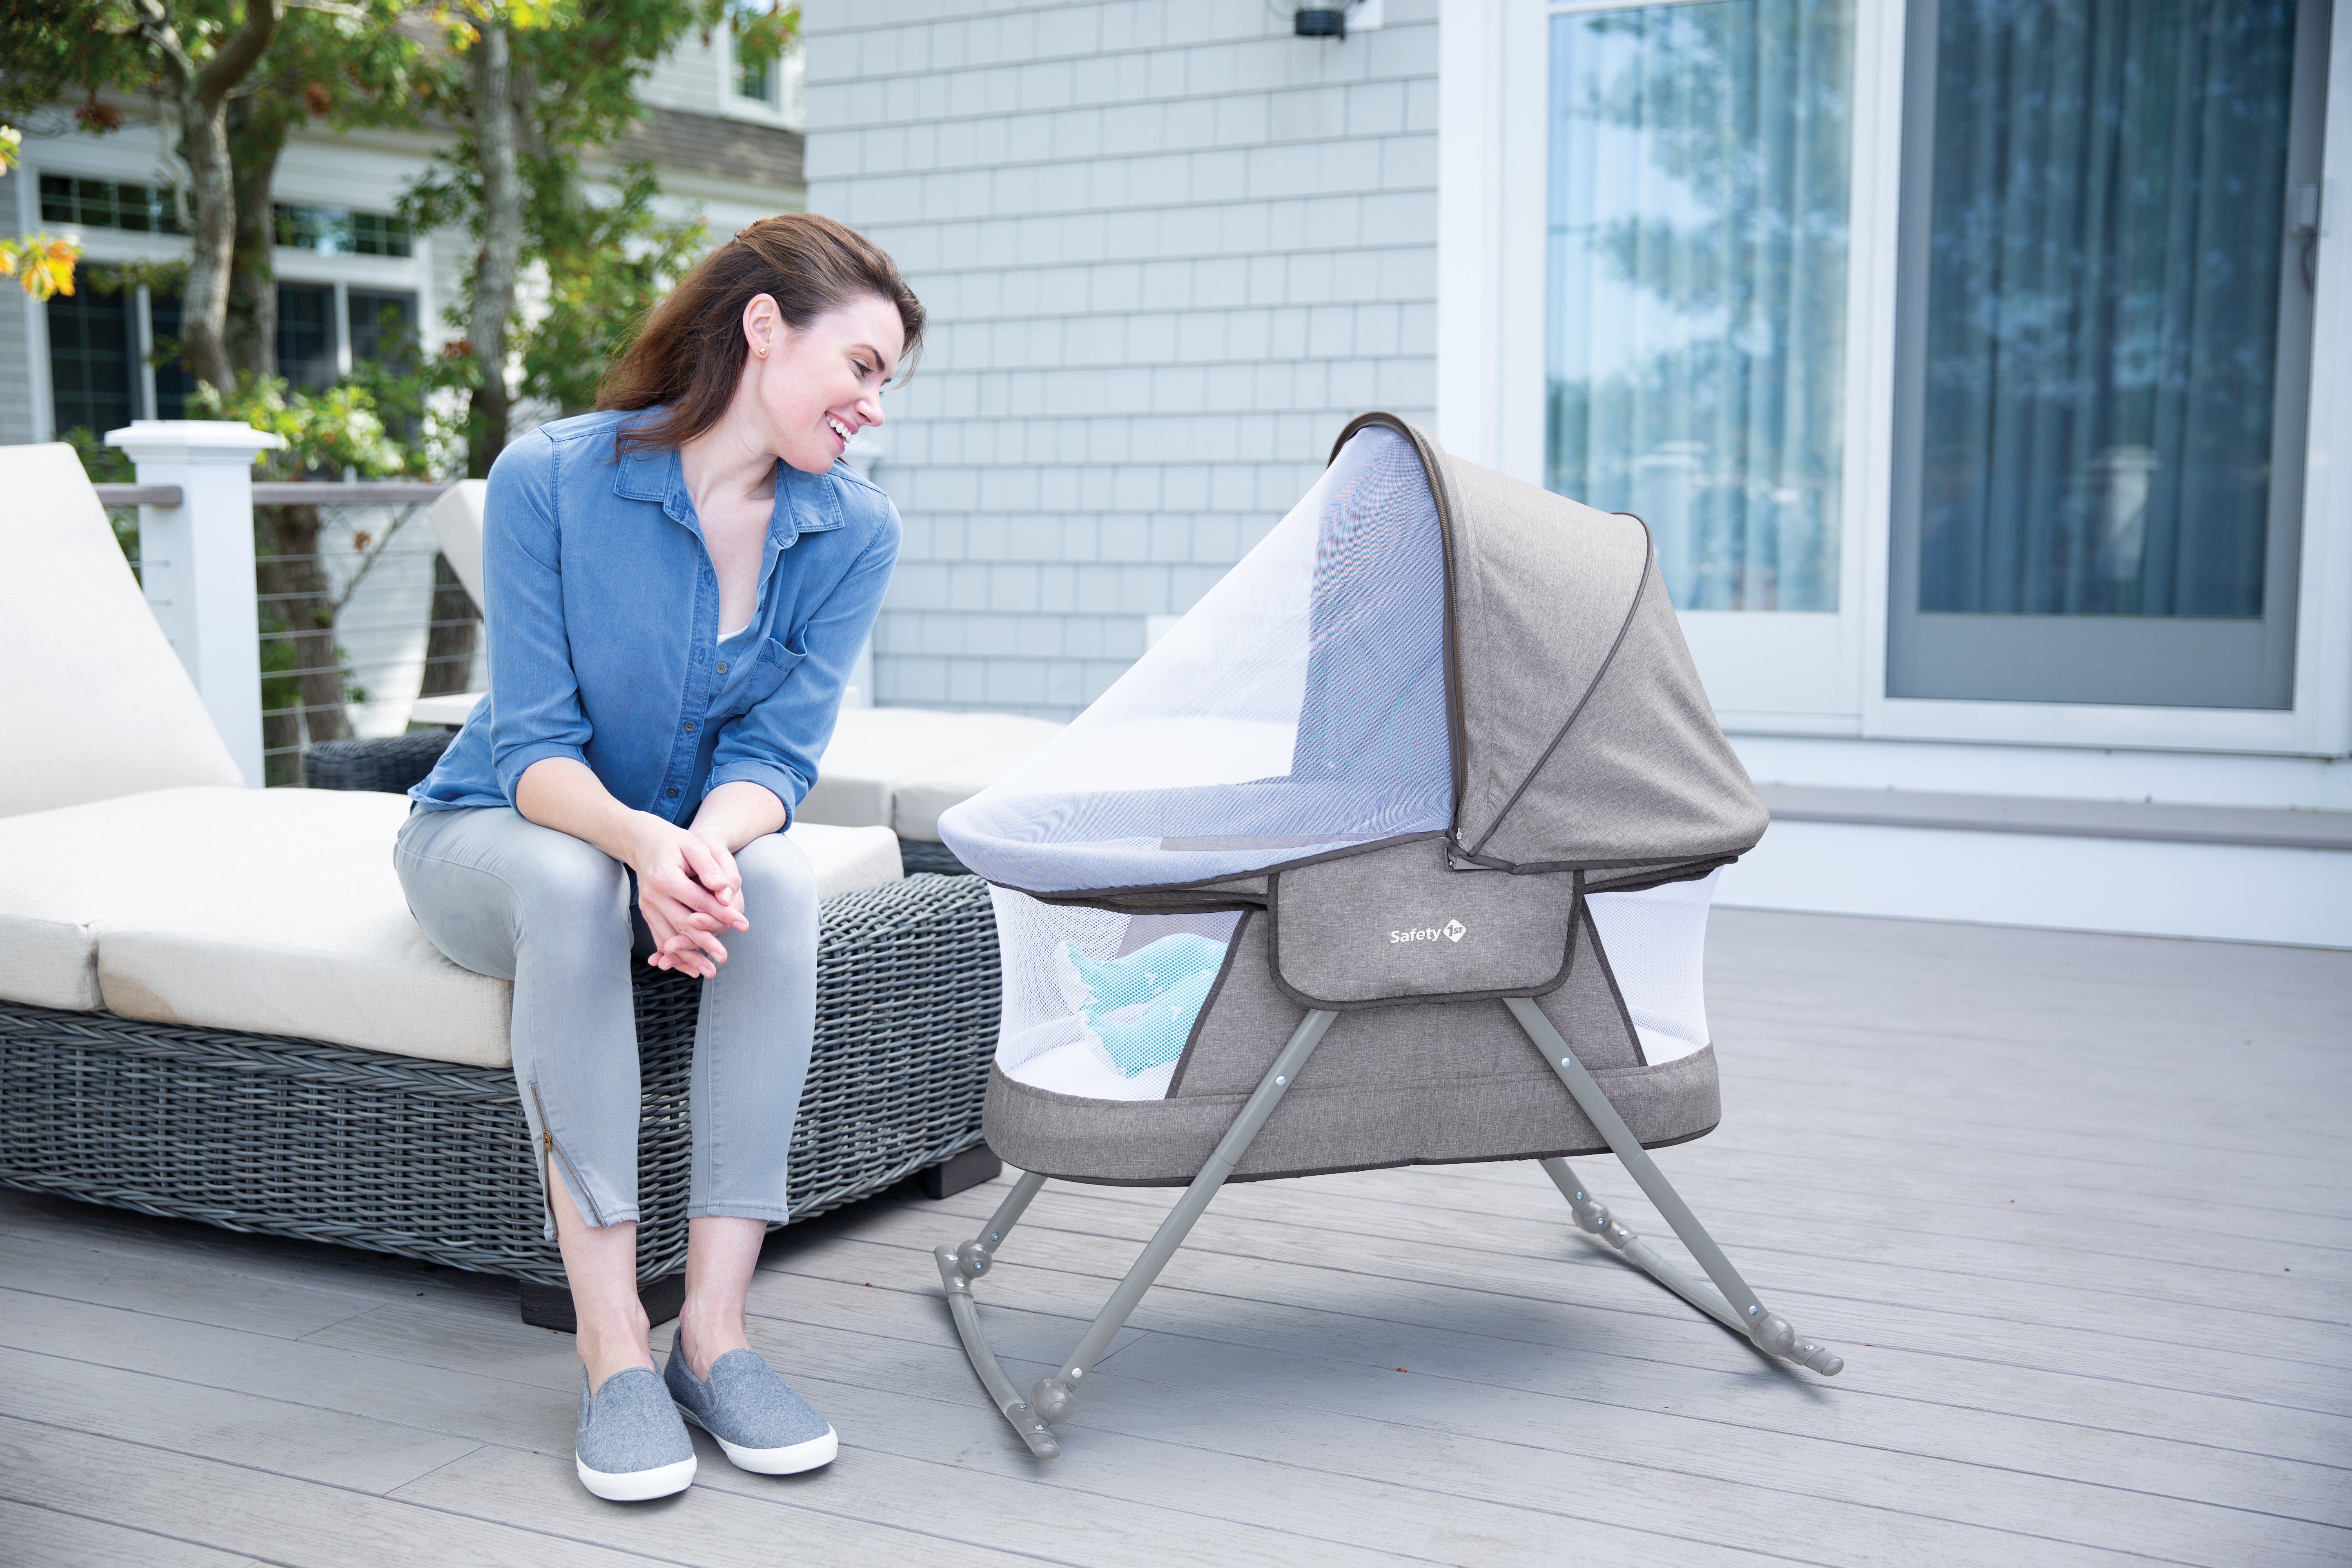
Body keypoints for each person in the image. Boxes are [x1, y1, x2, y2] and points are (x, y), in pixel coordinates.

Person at [397, 214, 922, 1501]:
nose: (873, 410)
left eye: (887, 384)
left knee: (784, 875)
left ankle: (715, 1334)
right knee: (577, 882)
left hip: (681, 850)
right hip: (500, 833)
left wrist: (698, 857)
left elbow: (781, 763)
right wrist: (641, 849)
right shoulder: (552, 478)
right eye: (860, 367)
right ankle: (614, 1343)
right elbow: (533, 750)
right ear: (761, 326)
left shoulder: (853, 532)